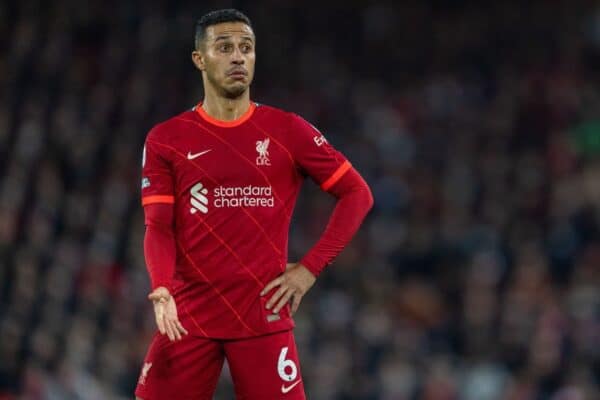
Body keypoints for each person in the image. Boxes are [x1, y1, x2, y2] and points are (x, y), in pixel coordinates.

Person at [135, 8, 373, 400]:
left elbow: (357, 194)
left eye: (246, 48)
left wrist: (310, 269)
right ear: (200, 59)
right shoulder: (167, 139)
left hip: (263, 317)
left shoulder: (287, 130)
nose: (237, 57)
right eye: (224, 47)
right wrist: (161, 288)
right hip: (189, 317)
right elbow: (158, 226)